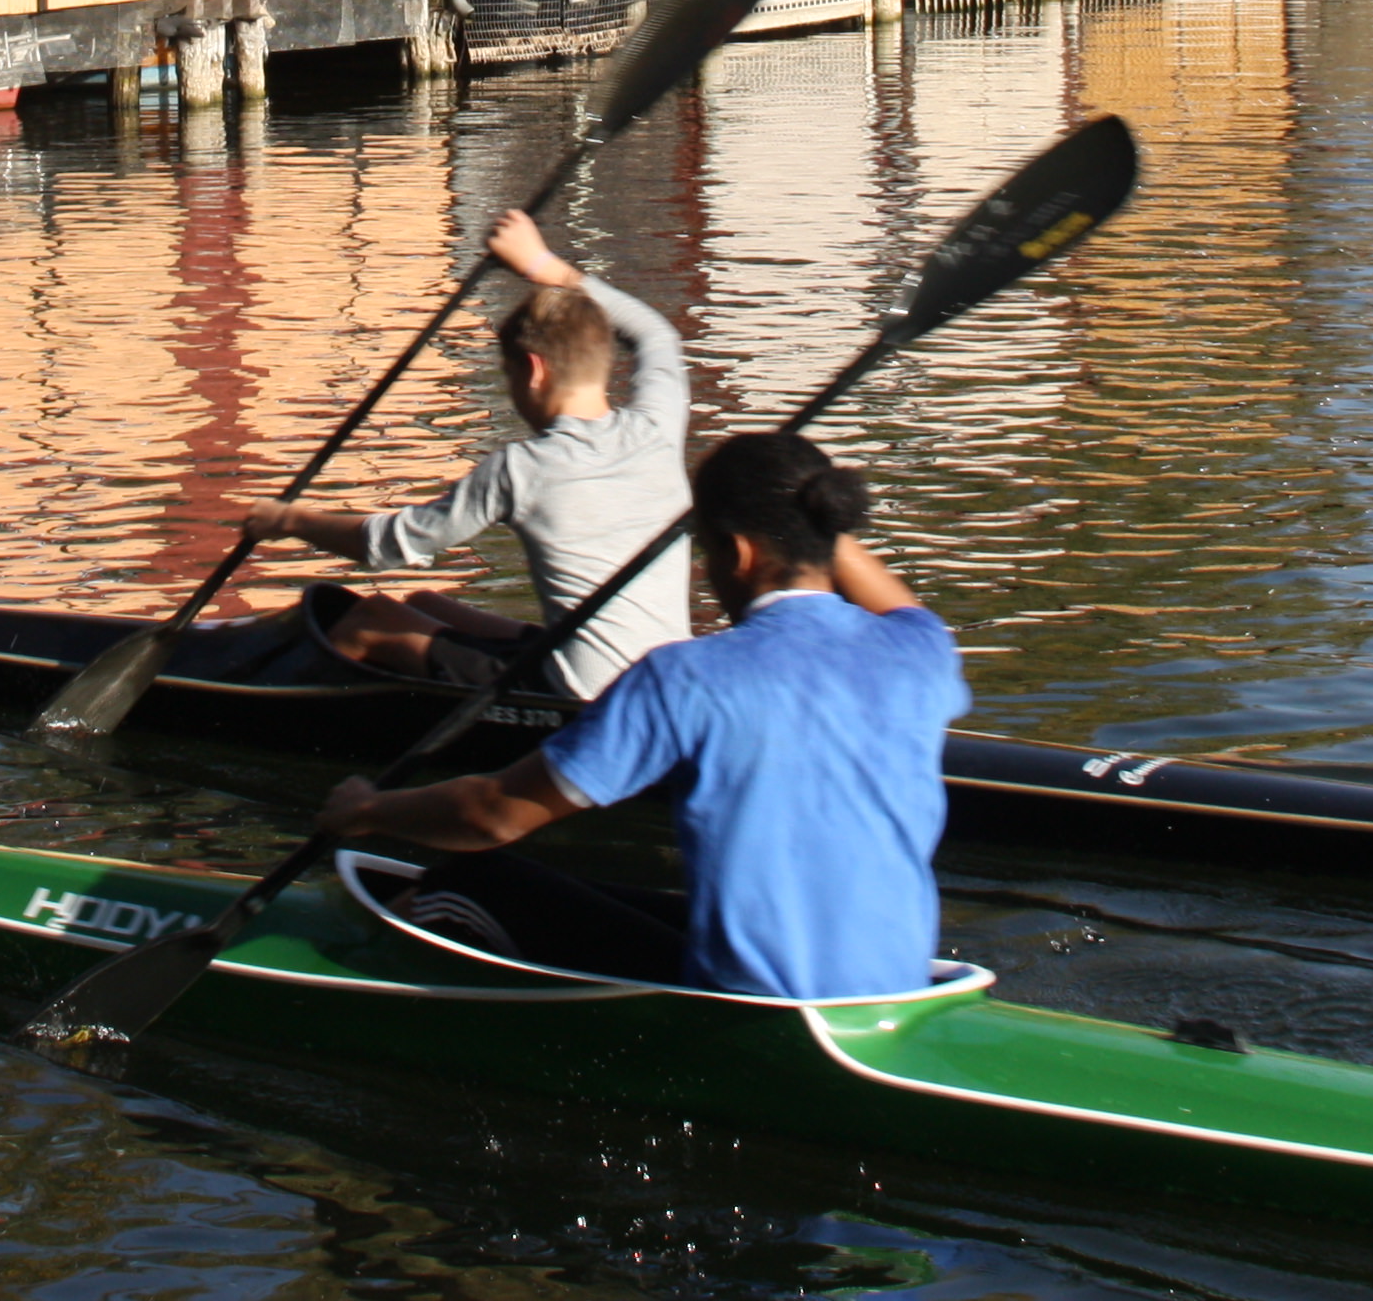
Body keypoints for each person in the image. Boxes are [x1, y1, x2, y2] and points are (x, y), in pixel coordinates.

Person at [315, 429, 969, 1002]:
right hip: (895, 982)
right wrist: (801, 511)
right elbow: (888, 597)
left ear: (737, 555)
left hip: (751, 1009)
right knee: (671, 904)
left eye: (706, 552)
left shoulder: (685, 677)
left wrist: (368, 811)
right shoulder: (922, 651)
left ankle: (343, 980)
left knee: (469, 876)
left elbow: (492, 814)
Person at [222, 208, 688, 701]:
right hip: (666, 681)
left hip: (584, 694)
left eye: (508, 378)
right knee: (428, 603)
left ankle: (272, 713)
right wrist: (542, 265)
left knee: (367, 620)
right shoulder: (658, 425)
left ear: (533, 370)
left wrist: (288, 521)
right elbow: (656, 333)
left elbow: (389, 545)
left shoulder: (523, 469)